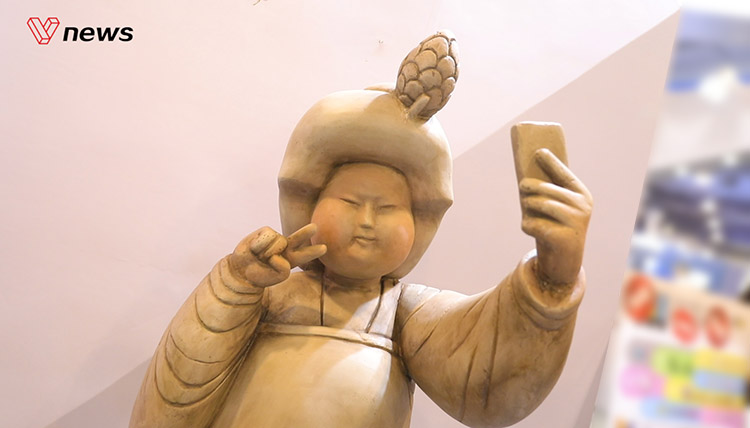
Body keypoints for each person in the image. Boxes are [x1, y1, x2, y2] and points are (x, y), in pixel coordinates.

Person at [130, 31, 593, 428]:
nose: (367, 221)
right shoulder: (270, 296)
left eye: (388, 208)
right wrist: (236, 285)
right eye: (350, 203)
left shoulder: (405, 316)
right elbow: (178, 387)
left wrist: (554, 276)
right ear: (309, 204)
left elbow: (487, 381)